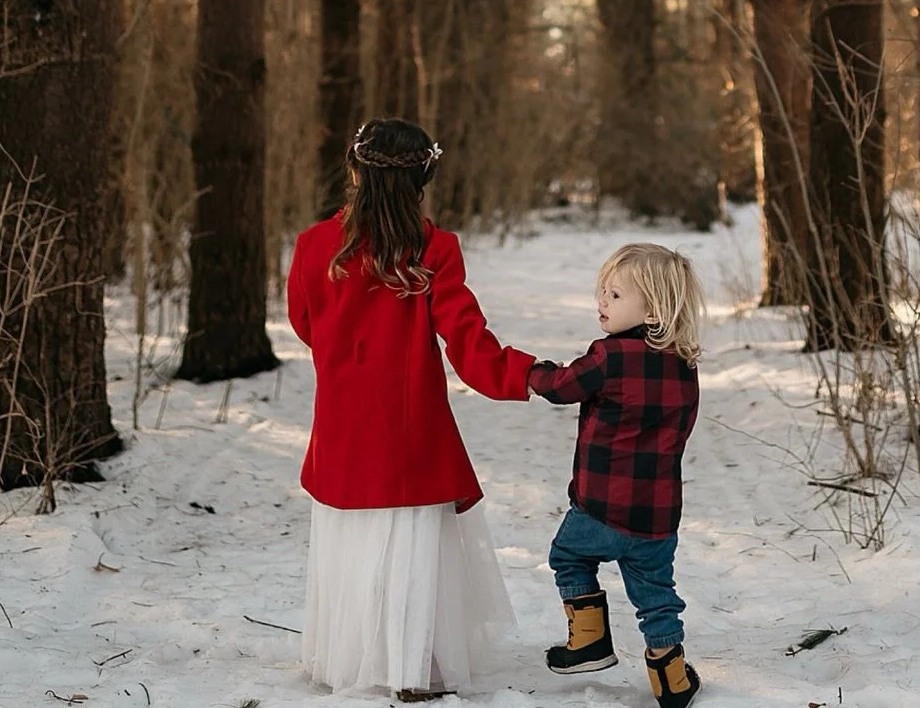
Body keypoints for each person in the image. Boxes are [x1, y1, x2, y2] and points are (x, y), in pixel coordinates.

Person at [287, 117, 534, 701]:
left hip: (343, 429)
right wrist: (532, 376)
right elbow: (469, 342)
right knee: (412, 550)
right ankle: (409, 671)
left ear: (354, 170)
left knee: (352, 545)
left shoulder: (315, 246)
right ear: (426, 175)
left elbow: (305, 324)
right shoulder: (433, 249)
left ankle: (346, 658)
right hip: (410, 430)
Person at [528, 242, 706, 706]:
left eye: (616, 295)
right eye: (602, 292)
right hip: (657, 519)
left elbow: (563, 386)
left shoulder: (608, 358)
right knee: (657, 596)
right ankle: (671, 679)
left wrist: (533, 372)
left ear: (654, 309)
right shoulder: (685, 367)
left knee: (568, 557)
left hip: (600, 508)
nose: (602, 303)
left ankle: (588, 640)